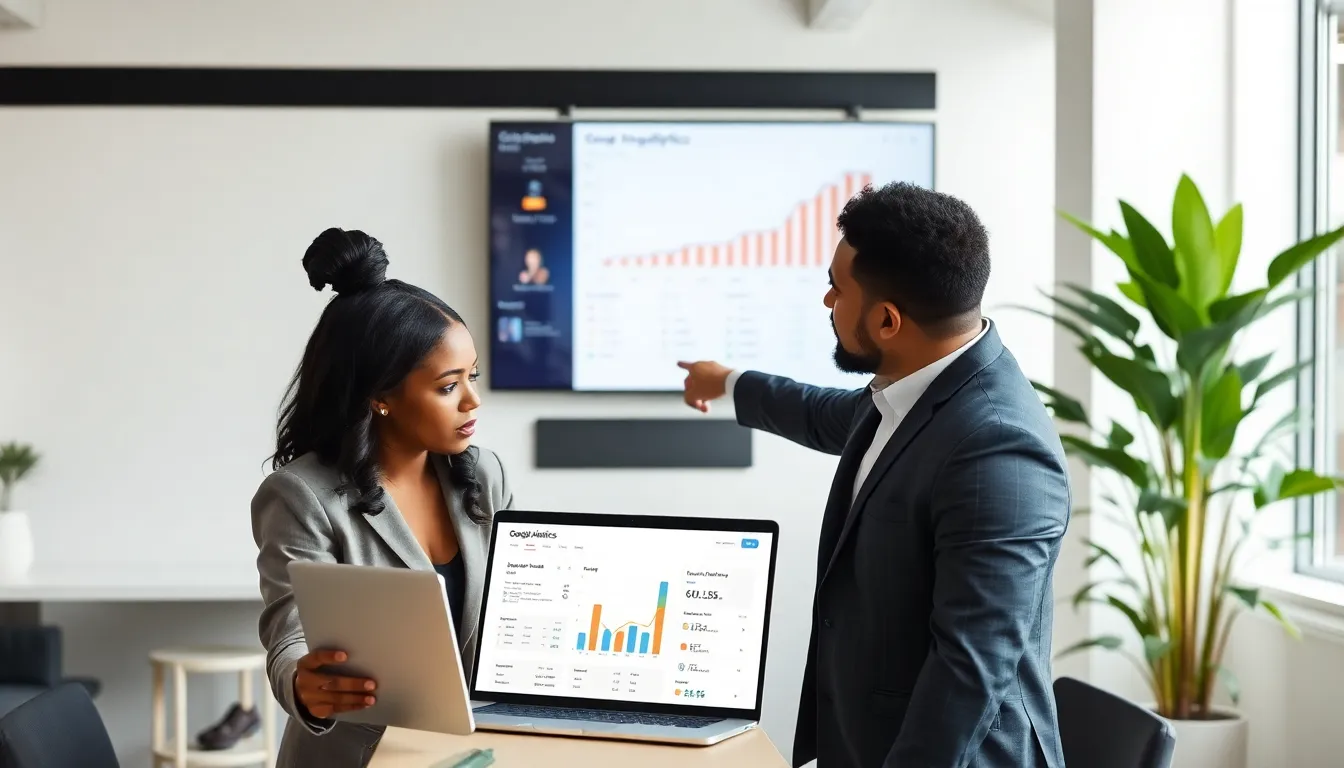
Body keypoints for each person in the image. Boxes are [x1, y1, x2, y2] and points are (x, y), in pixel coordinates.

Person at [679, 183, 1068, 768]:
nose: (827, 300)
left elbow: (970, 672)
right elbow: (827, 415)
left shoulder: (999, 449)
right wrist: (729, 383)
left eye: (837, 288)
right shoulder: (917, 386)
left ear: (887, 320)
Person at [252, 228, 515, 768]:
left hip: (476, 751)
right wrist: (306, 684)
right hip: (362, 755)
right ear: (380, 397)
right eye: (448, 386)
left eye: (473, 376)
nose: (473, 400)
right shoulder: (301, 495)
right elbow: (290, 633)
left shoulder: (485, 474)